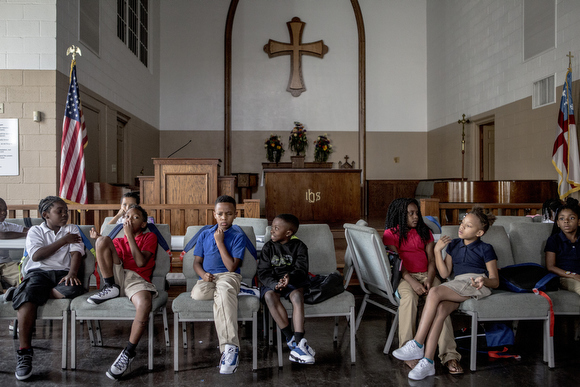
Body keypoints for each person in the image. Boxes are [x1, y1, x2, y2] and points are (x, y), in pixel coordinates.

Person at [393, 207, 499, 380]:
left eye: (468, 226)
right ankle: (427, 362)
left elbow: (495, 280)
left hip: (474, 282)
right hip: (456, 283)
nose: (462, 227)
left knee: (434, 292)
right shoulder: (454, 244)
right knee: (441, 311)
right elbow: (444, 274)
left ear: (479, 232)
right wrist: (437, 251)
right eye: (463, 223)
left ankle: (417, 342)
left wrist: (484, 280)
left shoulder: (486, 248)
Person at [11, 196, 86, 381]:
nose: (64, 214)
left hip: (62, 274)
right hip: (39, 273)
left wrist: (72, 273)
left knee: (74, 289)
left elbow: (76, 253)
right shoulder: (35, 231)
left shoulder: (71, 229)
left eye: (66, 211)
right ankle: (25, 352)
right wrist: (63, 241)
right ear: (45, 214)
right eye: (59, 211)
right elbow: (36, 256)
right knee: (28, 298)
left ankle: (22, 293)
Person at [383, 198, 462, 374]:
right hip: (404, 277)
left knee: (441, 304)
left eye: (416, 213)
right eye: (410, 213)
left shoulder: (424, 232)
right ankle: (408, 352)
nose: (416, 216)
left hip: (427, 274)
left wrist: (429, 279)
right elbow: (396, 264)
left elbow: (432, 260)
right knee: (409, 299)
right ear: (400, 215)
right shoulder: (390, 233)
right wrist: (412, 282)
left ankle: (450, 355)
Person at [87, 204, 158, 380]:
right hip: (118, 276)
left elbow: (141, 262)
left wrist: (129, 236)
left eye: (135, 217)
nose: (129, 219)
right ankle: (110, 287)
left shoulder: (150, 237)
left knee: (144, 304)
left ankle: (128, 352)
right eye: (127, 216)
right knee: (102, 241)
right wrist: (103, 240)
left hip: (137, 279)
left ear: (143, 223)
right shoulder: (118, 241)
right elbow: (110, 261)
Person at [191, 195, 246, 374]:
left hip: (229, 276)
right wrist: (203, 275)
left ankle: (230, 348)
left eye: (228, 214)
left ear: (235, 215)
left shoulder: (238, 236)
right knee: (197, 294)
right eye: (220, 214)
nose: (224, 218)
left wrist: (220, 242)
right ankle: (231, 293)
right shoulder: (204, 234)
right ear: (214, 214)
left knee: (224, 290)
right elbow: (196, 262)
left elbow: (231, 267)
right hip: (209, 278)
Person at [258, 213, 315, 364]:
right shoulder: (268, 247)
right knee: (270, 296)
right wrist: (274, 284)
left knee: (297, 297)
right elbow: (263, 272)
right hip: (272, 282)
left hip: (293, 281)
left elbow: (301, 269)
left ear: (288, 233)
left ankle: (299, 339)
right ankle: (290, 339)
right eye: (272, 227)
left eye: (276, 228)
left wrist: (289, 277)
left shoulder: (300, 247)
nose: (272, 231)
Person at [545, 197, 580, 295]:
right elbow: (551, 266)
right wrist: (574, 276)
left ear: (579, 221)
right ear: (558, 223)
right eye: (562, 218)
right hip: (565, 277)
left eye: (571, 218)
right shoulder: (554, 240)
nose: (566, 221)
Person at [0, 198, 29, 296]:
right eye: (0, 209)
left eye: (5, 209)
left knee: (25, 276)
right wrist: (23, 234)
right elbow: (2, 235)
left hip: (6, 264)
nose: (4, 212)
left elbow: (29, 231)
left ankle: (14, 292)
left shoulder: (7, 226)